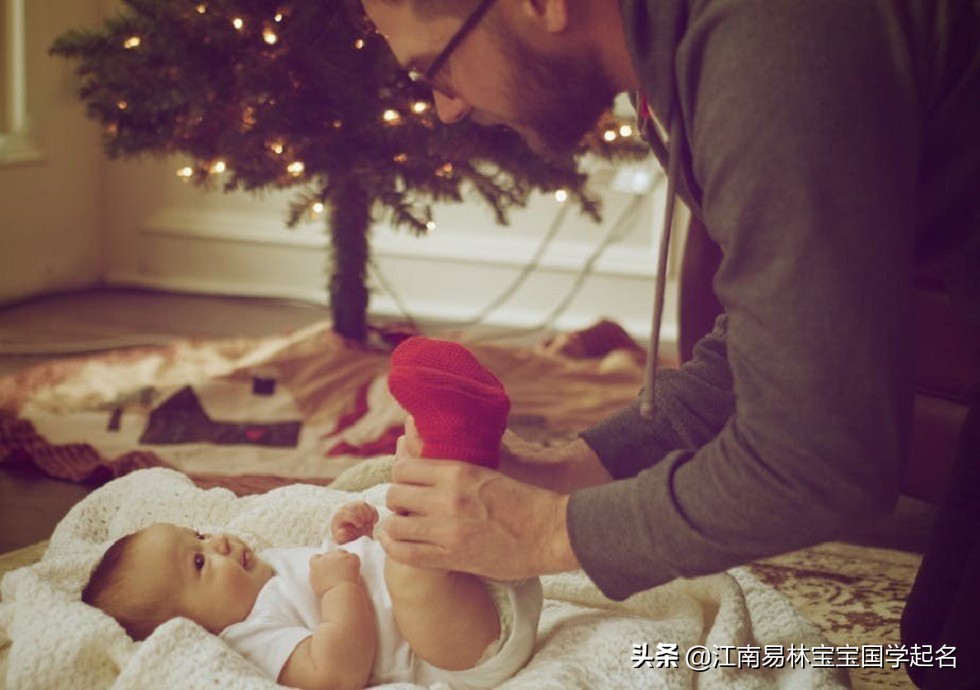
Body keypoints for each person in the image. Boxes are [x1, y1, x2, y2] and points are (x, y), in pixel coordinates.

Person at [358, 1, 980, 688]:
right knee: (935, 646)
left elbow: (820, 459)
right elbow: (777, 336)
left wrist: (548, 533)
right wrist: (576, 468)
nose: (445, 108)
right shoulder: (672, 60)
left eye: (436, 69)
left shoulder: (767, 48)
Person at [82, 337, 542, 689]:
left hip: (476, 575)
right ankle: (456, 445)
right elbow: (336, 672)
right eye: (199, 562)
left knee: (418, 513)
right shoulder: (249, 635)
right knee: (411, 544)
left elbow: (333, 572)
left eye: (199, 535)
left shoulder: (271, 571)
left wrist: (348, 537)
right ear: (188, 626)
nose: (216, 542)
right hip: (460, 650)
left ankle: (463, 444)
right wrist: (340, 586)